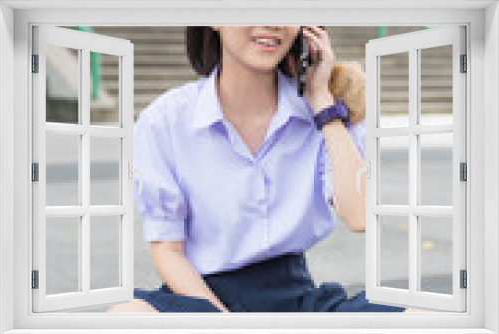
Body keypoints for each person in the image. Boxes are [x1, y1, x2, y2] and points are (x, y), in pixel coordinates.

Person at [107, 26, 417, 313]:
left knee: (424, 316)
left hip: (297, 299)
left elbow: (360, 215)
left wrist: (323, 104)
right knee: (126, 316)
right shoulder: (164, 121)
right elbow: (167, 250)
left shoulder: (325, 113)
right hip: (200, 298)